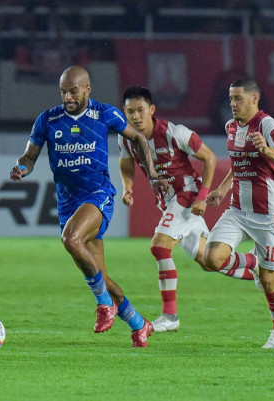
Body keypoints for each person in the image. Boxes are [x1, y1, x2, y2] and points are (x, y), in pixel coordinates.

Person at [9, 66, 168, 347]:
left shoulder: (104, 113)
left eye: (73, 91)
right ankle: (139, 323)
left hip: (98, 195)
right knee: (102, 276)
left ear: (87, 89)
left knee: (70, 238)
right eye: (63, 92)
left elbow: (140, 138)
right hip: (68, 203)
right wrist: (22, 168)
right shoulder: (47, 120)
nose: (67, 97)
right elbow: (30, 156)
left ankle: (104, 306)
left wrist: (152, 176)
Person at [119, 86, 262, 333]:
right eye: (130, 112)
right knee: (208, 261)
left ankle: (170, 317)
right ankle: (256, 263)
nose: (135, 117)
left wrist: (202, 197)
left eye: (140, 110)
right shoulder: (127, 138)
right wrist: (127, 188)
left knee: (159, 246)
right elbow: (125, 162)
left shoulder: (175, 133)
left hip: (187, 195)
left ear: (151, 110)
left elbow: (209, 158)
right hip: (169, 202)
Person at [203, 77, 274, 349]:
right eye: (231, 98)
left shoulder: (268, 125)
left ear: (254, 99)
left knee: (270, 280)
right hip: (238, 210)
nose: (232, 103)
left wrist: (266, 149)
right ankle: (253, 264)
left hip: (270, 215)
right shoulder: (231, 127)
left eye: (238, 98)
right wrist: (222, 189)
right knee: (211, 257)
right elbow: (237, 163)